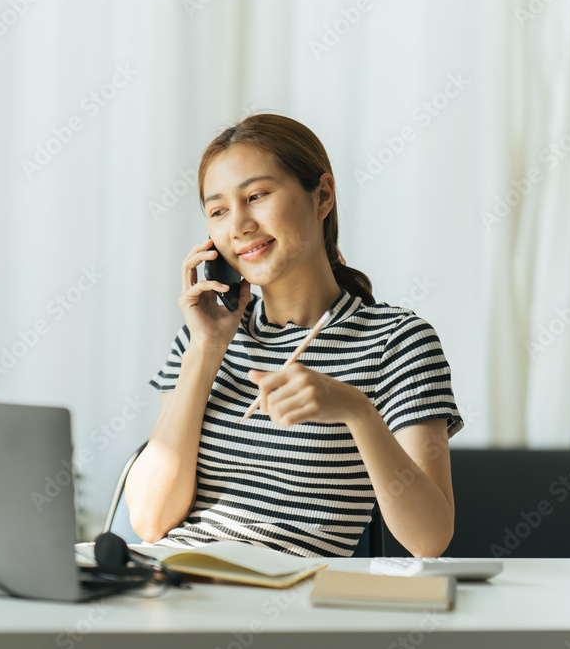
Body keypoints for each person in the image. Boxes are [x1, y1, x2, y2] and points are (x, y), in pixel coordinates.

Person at [124, 113, 463, 558]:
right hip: (175, 579)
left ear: (322, 195)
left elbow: (430, 539)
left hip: (285, 599)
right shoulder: (204, 336)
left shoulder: (397, 341)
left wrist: (356, 411)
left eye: (257, 195)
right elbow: (149, 520)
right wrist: (205, 348)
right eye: (219, 210)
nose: (239, 225)